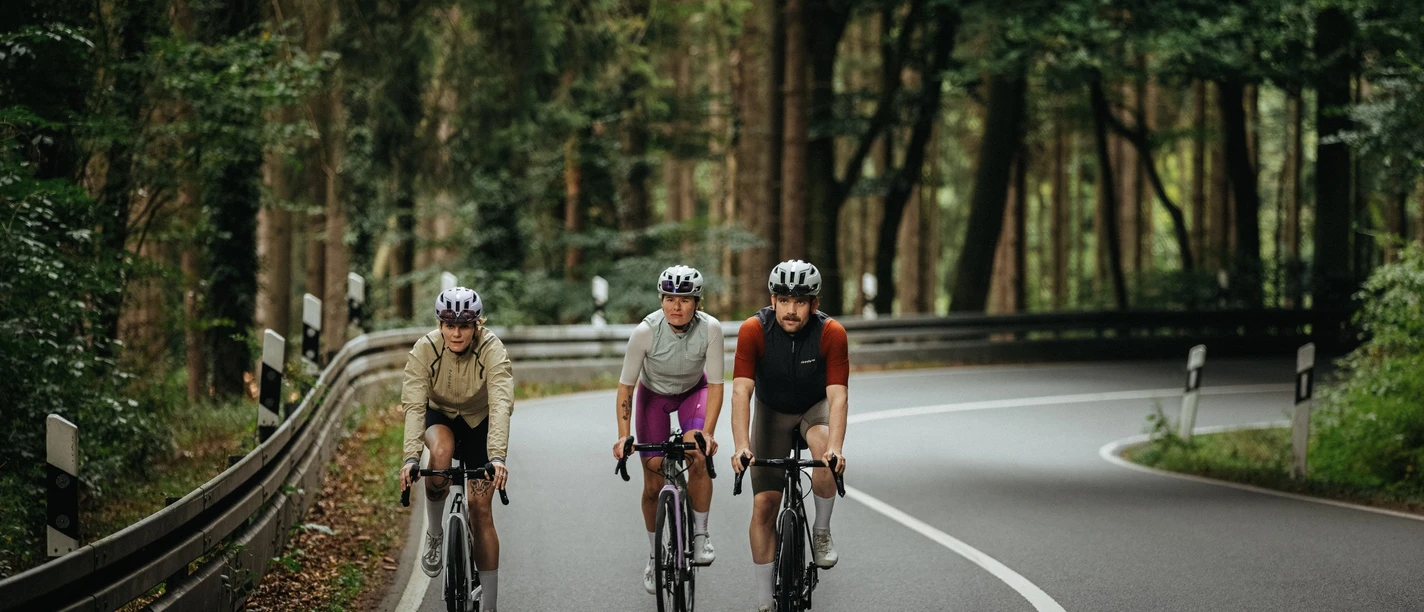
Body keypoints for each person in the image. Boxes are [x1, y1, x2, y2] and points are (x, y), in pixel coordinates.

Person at [728, 260, 849, 612]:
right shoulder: (754, 330)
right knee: (764, 504)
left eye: (800, 302)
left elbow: (838, 396)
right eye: (783, 301)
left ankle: (821, 530)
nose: (791, 310)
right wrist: (741, 446)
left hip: (814, 408)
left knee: (823, 449)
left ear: (815, 303)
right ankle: (766, 601)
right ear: (772, 300)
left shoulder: (831, 333)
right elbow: (741, 392)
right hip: (772, 412)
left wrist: (837, 449)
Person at [397, 286, 514, 612]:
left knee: (480, 509)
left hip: (481, 421)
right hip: (440, 417)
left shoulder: (492, 348)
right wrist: (409, 458)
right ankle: (434, 532)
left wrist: (497, 458)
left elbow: (502, 404)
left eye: (465, 326)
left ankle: (489, 605)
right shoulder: (425, 349)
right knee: (441, 452)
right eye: (450, 325)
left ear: (477, 324)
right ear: (440, 324)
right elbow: (414, 407)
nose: (457, 333)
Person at [612, 265, 725, 594]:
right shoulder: (645, 332)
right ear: (661, 301)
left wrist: (709, 433)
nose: (677, 306)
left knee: (697, 455)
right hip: (654, 398)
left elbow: (717, 386)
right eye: (670, 298)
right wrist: (623, 436)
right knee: (653, 478)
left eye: (685, 299)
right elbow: (625, 390)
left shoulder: (711, 329)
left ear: (697, 303)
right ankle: (653, 555)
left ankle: (701, 536)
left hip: (695, 393)